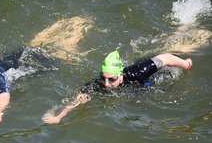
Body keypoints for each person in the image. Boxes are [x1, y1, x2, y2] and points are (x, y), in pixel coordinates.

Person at [42, 50, 192, 124]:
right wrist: (59, 117)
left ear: (120, 76)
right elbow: (78, 99)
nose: (106, 84)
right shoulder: (97, 84)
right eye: (103, 78)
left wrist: (186, 64)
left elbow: (166, 58)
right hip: (136, 85)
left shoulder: (137, 72)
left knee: (170, 72)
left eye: (111, 79)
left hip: (150, 78)